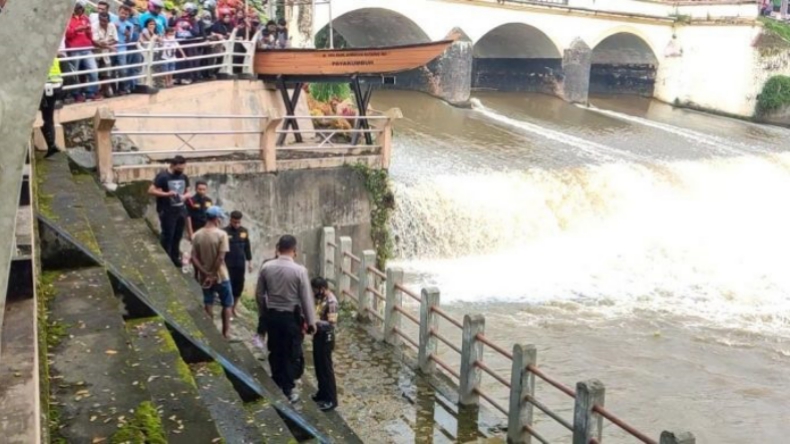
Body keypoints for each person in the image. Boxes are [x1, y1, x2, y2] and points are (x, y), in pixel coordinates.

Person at [256, 235, 317, 402]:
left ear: (278, 248)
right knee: (290, 352)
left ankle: (276, 382)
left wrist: (264, 313)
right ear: (294, 250)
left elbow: (260, 295)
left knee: (275, 349)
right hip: (291, 318)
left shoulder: (266, 267)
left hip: (273, 316)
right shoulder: (299, 271)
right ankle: (288, 389)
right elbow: (306, 299)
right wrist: (311, 322)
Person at [191, 206, 234, 339]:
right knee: (227, 304)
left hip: (204, 277)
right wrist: (213, 274)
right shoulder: (222, 235)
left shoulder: (197, 235)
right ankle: (226, 333)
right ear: (216, 219)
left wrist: (204, 273)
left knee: (208, 302)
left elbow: (194, 257)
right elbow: (221, 257)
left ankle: (211, 332)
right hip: (221, 275)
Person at [148, 156, 190, 267]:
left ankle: (175, 257)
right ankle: (165, 258)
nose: (181, 171)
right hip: (167, 210)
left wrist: (185, 196)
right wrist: (167, 194)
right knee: (168, 235)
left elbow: (188, 192)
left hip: (180, 210)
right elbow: (151, 190)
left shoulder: (184, 177)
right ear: (172, 165)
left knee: (178, 235)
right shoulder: (163, 176)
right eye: (179, 168)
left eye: (183, 168)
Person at [310, 277, 338, 411]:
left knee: (326, 369)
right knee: (319, 367)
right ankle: (322, 393)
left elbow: (331, 323)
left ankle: (331, 400)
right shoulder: (321, 299)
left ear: (322, 289)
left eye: (315, 290)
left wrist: (315, 322)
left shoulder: (331, 302)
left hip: (326, 337)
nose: (314, 293)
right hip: (318, 335)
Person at [65, 1, 101, 102]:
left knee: (94, 71)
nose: (80, 9)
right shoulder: (67, 19)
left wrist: (89, 31)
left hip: (87, 48)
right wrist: (77, 29)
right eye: (78, 7)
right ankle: (76, 94)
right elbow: (67, 35)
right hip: (74, 49)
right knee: (74, 73)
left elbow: (90, 34)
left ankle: (91, 92)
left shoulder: (86, 18)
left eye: (81, 8)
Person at [224, 211, 252, 318]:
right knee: (228, 286)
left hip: (240, 264)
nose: (236, 224)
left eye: (238, 222)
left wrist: (250, 262)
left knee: (239, 286)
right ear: (230, 220)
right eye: (234, 222)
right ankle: (228, 307)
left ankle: (234, 308)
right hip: (228, 264)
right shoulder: (224, 232)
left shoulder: (244, 231)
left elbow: (247, 247)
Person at [41, 58, 64, 159]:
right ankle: (52, 145)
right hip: (57, 86)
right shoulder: (52, 55)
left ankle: (52, 145)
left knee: (47, 118)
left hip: (47, 88)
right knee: (48, 117)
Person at [92, 12, 119, 98]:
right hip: (96, 53)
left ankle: (105, 90)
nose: (103, 22)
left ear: (108, 20)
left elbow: (116, 40)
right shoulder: (94, 26)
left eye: (105, 21)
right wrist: (109, 46)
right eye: (101, 20)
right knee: (95, 73)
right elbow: (95, 42)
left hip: (106, 53)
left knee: (106, 73)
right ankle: (95, 92)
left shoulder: (112, 25)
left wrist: (105, 44)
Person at [114, 5, 136, 95]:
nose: (124, 15)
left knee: (122, 70)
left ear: (129, 15)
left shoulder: (130, 25)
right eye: (122, 13)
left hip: (122, 48)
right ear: (118, 11)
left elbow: (129, 40)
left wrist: (127, 34)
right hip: (111, 48)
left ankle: (121, 88)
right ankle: (112, 89)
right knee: (111, 69)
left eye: (126, 14)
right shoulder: (113, 20)